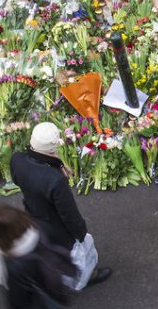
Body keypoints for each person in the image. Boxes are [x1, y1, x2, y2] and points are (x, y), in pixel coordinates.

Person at [10, 122, 111, 288]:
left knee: (45, 251)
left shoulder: (17, 160)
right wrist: (81, 234)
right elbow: (69, 214)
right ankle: (87, 276)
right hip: (55, 225)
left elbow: (19, 177)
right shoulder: (55, 180)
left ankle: (49, 277)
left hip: (32, 216)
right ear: (53, 149)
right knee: (71, 253)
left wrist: (58, 164)